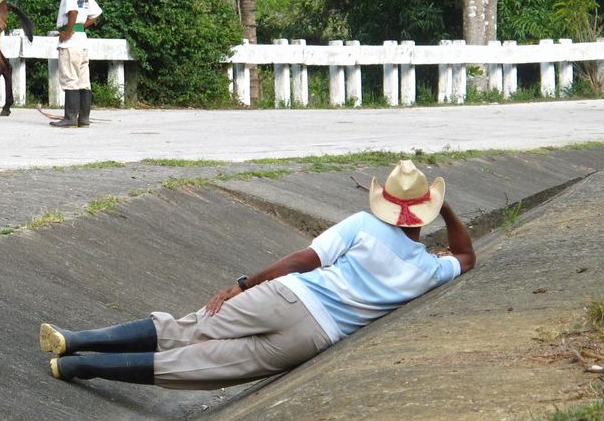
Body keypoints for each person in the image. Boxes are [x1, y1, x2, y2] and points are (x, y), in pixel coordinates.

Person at [39, 159, 475, 388]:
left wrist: (244, 282)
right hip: (316, 336)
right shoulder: (428, 270)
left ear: (385, 203)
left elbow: (305, 260)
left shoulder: (362, 224)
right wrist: (447, 209)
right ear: (426, 213)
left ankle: (77, 340)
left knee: (187, 328)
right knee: (197, 366)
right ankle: (83, 368)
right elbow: (466, 256)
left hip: (287, 295)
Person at [47, 0, 102, 128]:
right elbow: (96, 13)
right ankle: (83, 119)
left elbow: (72, 12)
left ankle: (70, 118)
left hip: (71, 43)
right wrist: (81, 28)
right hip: (82, 41)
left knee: (69, 79)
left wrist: (68, 32)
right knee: (83, 81)